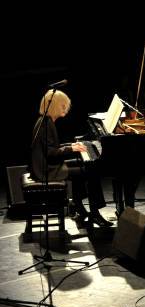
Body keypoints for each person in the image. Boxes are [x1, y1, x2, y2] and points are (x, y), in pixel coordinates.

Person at [31, 90, 112, 227]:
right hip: (46, 170)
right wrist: (71, 149)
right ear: (54, 106)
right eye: (62, 105)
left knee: (84, 165)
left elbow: (52, 147)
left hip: (48, 165)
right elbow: (51, 152)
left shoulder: (46, 120)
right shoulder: (46, 123)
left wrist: (71, 145)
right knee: (91, 172)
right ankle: (94, 213)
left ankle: (79, 208)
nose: (65, 109)